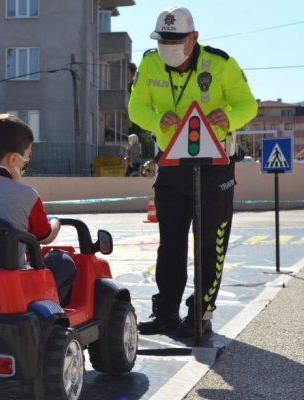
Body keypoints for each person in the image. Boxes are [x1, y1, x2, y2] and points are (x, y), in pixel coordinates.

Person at [128, 6, 258, 337]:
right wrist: (158, 120)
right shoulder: (149, 62)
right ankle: (166, 313)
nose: (167, 45)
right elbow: (137, 107)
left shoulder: (220, 63)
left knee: (210, 242)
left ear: (194, 38)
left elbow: (248, 104)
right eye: (163, 39)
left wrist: (228, 118)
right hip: (171, 167)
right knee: (170, 242)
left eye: (175, 39)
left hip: (215, 167)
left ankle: (200, 313)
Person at [0, 114, 76, 306]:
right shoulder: (27, 195)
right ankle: (56, 314)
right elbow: (45, 235)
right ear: (14, 159)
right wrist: (56, 221)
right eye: (27, 158)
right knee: (64, 263)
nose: (26, 164)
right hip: (12, 285)